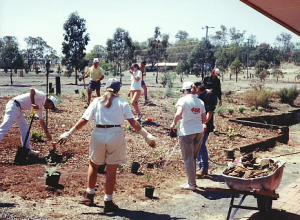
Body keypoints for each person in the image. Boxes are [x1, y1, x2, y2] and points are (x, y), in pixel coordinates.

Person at [58, 78, 156, 212]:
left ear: (105, 88)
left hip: (98, 133)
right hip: (115, 134)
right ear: (118, 90)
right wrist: (146, 135)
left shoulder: (96, 101)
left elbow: (84, 119)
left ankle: (89, 195)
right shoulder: (122, 102)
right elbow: (133, 122)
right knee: (111, 169)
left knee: (93, 164)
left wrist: (69, 133)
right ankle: (108, 201)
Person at [170, 82, 206, 190]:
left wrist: (174, 123)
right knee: (193, 157)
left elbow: (178, 113)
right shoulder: (200, 101)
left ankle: (191, 184)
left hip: (187, 132)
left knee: (188, 158)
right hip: (198, 131)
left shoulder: (183, 100)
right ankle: (192, 182)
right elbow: (204, 119)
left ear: (185, 90)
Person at [0, 88, 57, 155]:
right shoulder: (42, 96)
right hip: (13, 105)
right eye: (51, 107)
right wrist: (33, 103)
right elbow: (32, 90)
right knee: (5, 127)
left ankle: (27, 150)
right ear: (50, 102)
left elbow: (41, 121)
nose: (50, 108)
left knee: (25, 127)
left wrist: (47, 133)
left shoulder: (40, 107)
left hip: (18, 108)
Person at [195, 82, 216, 178]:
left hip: (205, 125)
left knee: (201, 145)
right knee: (198, 145)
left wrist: (205, 123)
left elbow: (209, 112)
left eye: (195, 88)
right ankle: (201, 167)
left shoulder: (208, 96)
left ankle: (204, 168)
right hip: (199, 124)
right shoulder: (199, 96)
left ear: (199, 88)